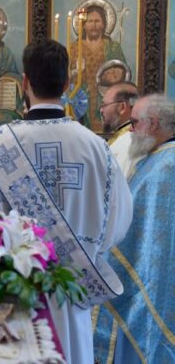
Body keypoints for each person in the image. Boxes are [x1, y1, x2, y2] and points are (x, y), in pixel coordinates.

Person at [0, 40, 132, 364]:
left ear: (24, 82)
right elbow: (118, 223)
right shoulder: (97, 148)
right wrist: (86, 249)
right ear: (66, 84)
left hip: (9, 301)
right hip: (72, 296)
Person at [94, 94, 175, 364]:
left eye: (135, 122)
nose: (130, 130)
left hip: (155, 272)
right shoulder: (157, 158)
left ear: (154, 123)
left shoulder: (166, 166)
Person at [69, 4, 127, 131]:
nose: (93, 25)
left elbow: (123, 74)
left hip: (105, 99)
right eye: (90, 21)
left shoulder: (113, 47)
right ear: (83, 25)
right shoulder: (73, 48)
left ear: (104, 24)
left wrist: (111, 76)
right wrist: (75, 72)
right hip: (79, 101)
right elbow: (64, 77)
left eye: (97, 21)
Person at [100, 81, 139, 178]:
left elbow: (117, 183)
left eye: (104, 105)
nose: (101, 110)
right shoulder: (125, 137)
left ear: (122, 107)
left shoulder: (129, 142)